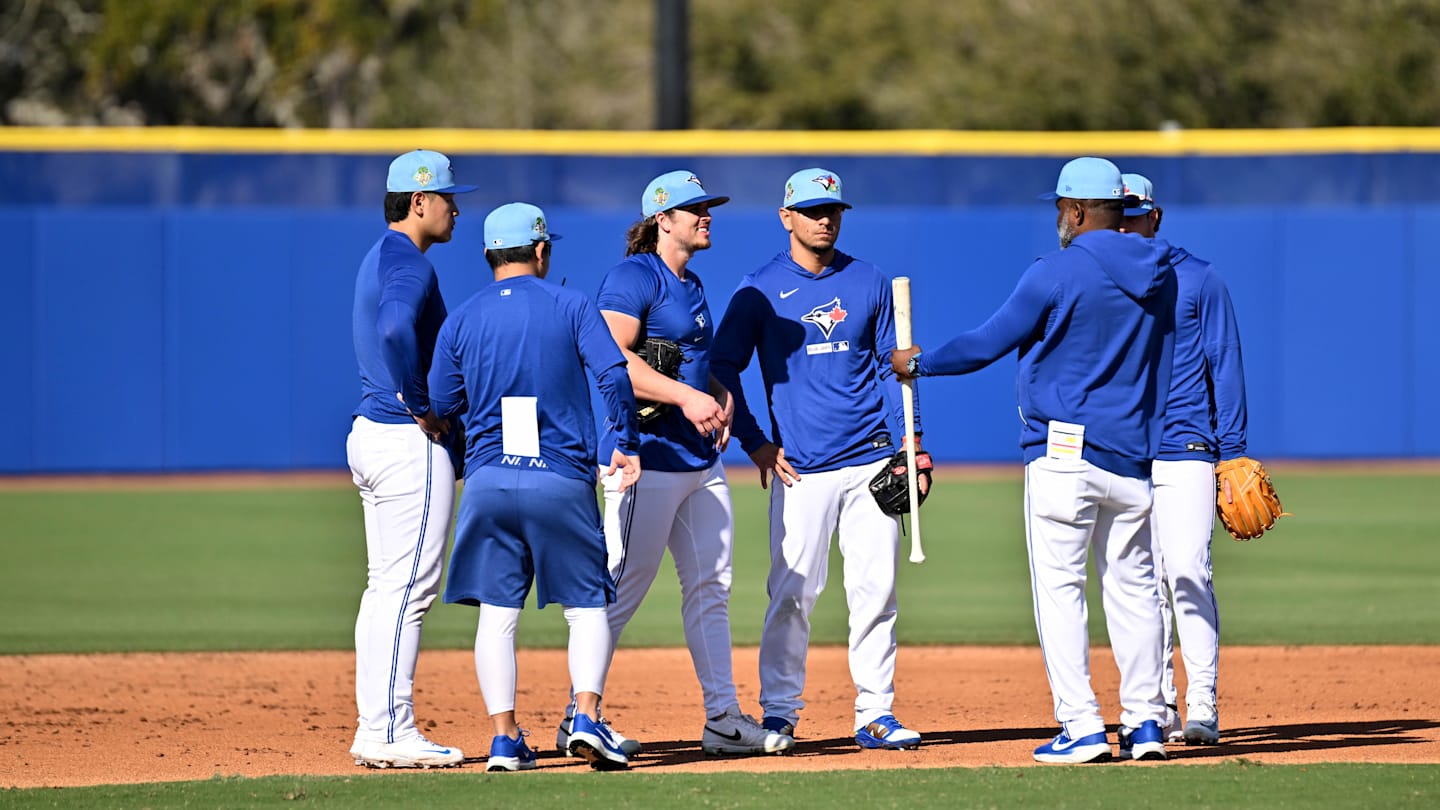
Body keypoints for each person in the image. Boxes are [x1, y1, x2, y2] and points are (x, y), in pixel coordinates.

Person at [891, 157, 1177, 764]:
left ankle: (1083, 727)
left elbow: (987, 342)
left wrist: (920, 363)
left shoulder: (1056, 270)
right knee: (1135, 593)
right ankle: (1147, 723)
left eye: (1060, 207)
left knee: (1061, 593)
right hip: (1132, 459)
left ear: (1076, 211)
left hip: (1064, 456)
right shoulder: (1162, 272)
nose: (1058, 217)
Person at [554, 170, 795, 758]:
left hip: (698, 464)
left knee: (712, 587)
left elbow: (696, 368)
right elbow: (610, 361)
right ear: (663, 219)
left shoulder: (692, 284)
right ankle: (577, 718)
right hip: (646, 459)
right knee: (620, 590)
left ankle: (723, 718)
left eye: (707, 207)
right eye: (695, 209)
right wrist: (688, 396)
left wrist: (730, 408)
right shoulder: (635, 276)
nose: (706, 215)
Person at [710, 168, 927, 751]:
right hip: (801, 467)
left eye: (832, 209)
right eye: (811, 210)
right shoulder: (758, 290)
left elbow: (892, 369)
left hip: (873, 459)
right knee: (792, 594)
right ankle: (779, 712)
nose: (825, 218)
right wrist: (752, 440)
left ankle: (874, 713)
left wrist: (914, 442)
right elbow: (721, 366)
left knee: (876, 590)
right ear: (786, 218)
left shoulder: (869, 280)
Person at [427, 202, 641, 772]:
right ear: (542, 251)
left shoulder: (463, 318)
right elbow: (614, 374)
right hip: (560, 478)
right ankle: (588, 719)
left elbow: (442, 403)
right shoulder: (570, 304)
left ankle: (504, 739)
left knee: (497, 615)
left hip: (490, 481)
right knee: (586, 605)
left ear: (489, 255)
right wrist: (626, 437)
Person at [347, 148, 475, 768]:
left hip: (372, 434)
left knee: (384, 590)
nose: (456, 207)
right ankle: (390, 730)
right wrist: (421, 402)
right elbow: (398, 329)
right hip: (407, 440)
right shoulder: (410, 265)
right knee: (408, 592)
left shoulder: (382, 255)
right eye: (449, 197)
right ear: (419, 202)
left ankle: (375, 726)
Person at [1119, 173, 1246, 746]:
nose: (1125, 223)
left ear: (1156, 216)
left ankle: (1204, 701)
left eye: (1134, 213)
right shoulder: (1100, 281)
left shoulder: (1198, 278)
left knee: (1188, 569)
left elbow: (1226, 362)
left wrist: (1234, 453)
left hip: (1186, 446)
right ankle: (1158, 702)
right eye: (1114, 213)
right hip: (1121, 450)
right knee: (1140, 584)